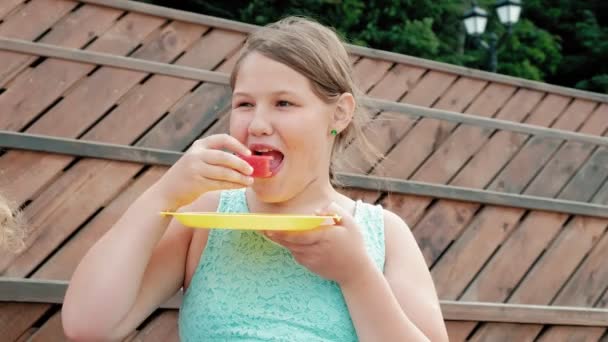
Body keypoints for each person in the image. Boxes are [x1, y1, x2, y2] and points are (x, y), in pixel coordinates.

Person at [62, 16, 448, 341]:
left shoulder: (383, 234)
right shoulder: (205, 219)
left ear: (340, 113)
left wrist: (356, 275)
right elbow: (87, 325)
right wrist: (161, 197)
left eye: (284, 103)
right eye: (245, 104)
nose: (258, 124)